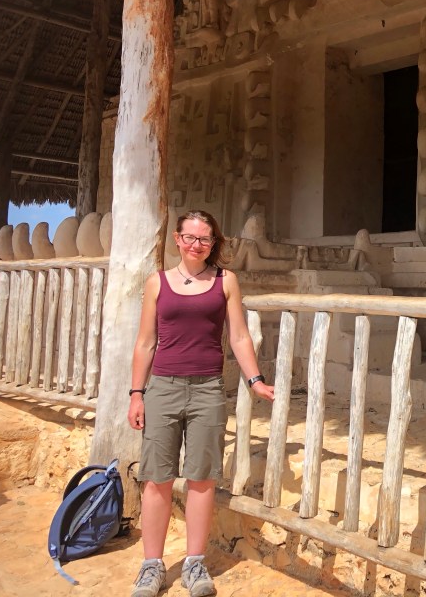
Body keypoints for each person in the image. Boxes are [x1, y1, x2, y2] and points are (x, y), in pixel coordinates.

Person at [127, 210, 274, 597]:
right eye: (189, 237)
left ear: (213, 243)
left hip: (207, 389)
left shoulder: (226, 281)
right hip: (162, 388)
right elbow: (145, 342)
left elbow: (239, 336)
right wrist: (136, 393)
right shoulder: (157, 282)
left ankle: (194, 563)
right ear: (177, 239)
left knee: (202, 478)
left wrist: (255, 379)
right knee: (156, 479)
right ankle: (151, 566)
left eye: (204, 239)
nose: (196, 245)